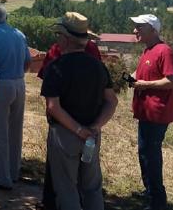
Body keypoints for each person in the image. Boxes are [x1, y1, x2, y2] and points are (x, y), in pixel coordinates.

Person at [41, 12, 118, 210]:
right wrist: (94, 127)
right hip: (92, 136)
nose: (57, 39)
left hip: (65, 135)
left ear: (65, 39)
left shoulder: (56, 68)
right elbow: (111, 101)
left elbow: (53, 107)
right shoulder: (98, 67)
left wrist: (77, 130)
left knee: (66, 188)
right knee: (92, 187)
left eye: (59, 35)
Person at [129, 14, 173, 210]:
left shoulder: (164, 51)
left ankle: (157, 201)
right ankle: (149, 190)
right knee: (144, 153)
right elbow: (139, 75)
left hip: (157, 114)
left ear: (152, 30)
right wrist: (129, 78)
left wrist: (145, 84)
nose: (135, 31)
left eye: (139, 27)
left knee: (151, 155)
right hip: (146, 112)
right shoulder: (147, 51)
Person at [0, 4, 31, 189]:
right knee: (16, 130)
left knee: (0, 132)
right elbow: (27, 61)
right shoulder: (19, 34)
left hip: (1, 84)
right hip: (19, 82)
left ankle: (2, 178)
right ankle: (14, 171)